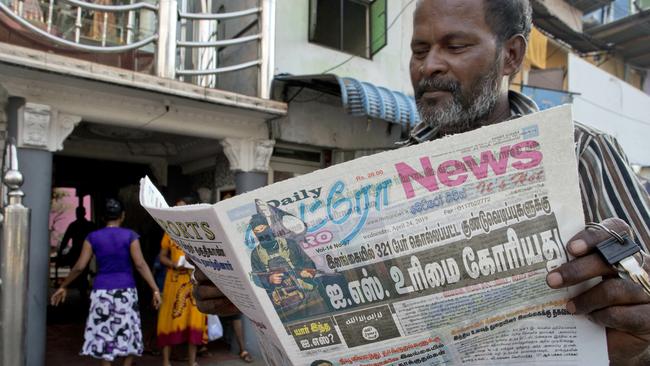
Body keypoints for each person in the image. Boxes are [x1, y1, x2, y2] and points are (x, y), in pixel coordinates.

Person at [192, 1, 650, 364]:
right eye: (418, 50)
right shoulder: (386, 174)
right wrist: (250, 296)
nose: (428, 66)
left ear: (510, 55)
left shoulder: (581, 152)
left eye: (455, 46)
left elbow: (642, 296)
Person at [51, 198, 161, 366]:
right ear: (122, 216)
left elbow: (80, 266)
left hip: (101, 291)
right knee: (128, 330)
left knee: (104, 334)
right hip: (126, 291)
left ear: (102, 217)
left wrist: (63, 285)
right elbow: (140, 264)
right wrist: (155, 289)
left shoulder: (93, 237)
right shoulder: (130, 236)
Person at [156, 196, 207, 366]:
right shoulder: (168, 230)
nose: (178, 211)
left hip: (193, 280)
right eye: (175, 207)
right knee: (169, 318)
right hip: (174, 281)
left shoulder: (196, 231)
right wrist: (173, 264)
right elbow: (161, 257)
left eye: (182, 208)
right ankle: (166, 361)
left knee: (194, 319)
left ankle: (192, 362)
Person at [57, 205, 96, 299]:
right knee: (80, 270)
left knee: (81, 270)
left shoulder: (78, 225)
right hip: (79, 251)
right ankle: (81, 288)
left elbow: (65, 240)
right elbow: (65, 240)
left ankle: (82, 289)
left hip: (80, 250)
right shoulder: (82, 225)